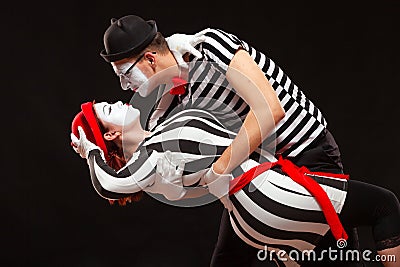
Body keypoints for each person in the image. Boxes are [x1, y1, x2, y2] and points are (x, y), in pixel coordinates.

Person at [72, 14, 372, 266]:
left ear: (149, 58)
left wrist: (219, 168)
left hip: (307, 154)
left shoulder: (211, 47)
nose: (125, 87)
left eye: (125, 74)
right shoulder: (167, 103)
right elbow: (148, 157)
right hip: (261, 178)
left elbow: (269, 110)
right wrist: (97, 151)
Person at [71, 100, 400, 267]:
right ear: (111, 134)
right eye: (110, 108)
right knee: (384, 207)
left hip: (253, 206)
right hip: (266, 194)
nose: (123, 102)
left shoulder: (156, 130)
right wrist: (91, 151)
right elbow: (108, 185)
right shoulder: (151, 158)